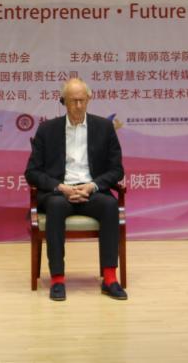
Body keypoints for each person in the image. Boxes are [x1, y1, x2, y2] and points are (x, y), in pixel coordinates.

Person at [25, 78, 127, 301]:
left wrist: (92, 186)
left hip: (92, 191)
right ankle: (57, 279)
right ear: (64, 101)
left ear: (89, 99)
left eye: (82, 100)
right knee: (55, 207)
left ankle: (110, 278)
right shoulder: (47, 129)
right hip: (60, 193)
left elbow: (117, 170)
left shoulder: (104, 127)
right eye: (73, 101)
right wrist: (60, 187)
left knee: (110, 205)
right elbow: (31, 172)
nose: (78, 106)